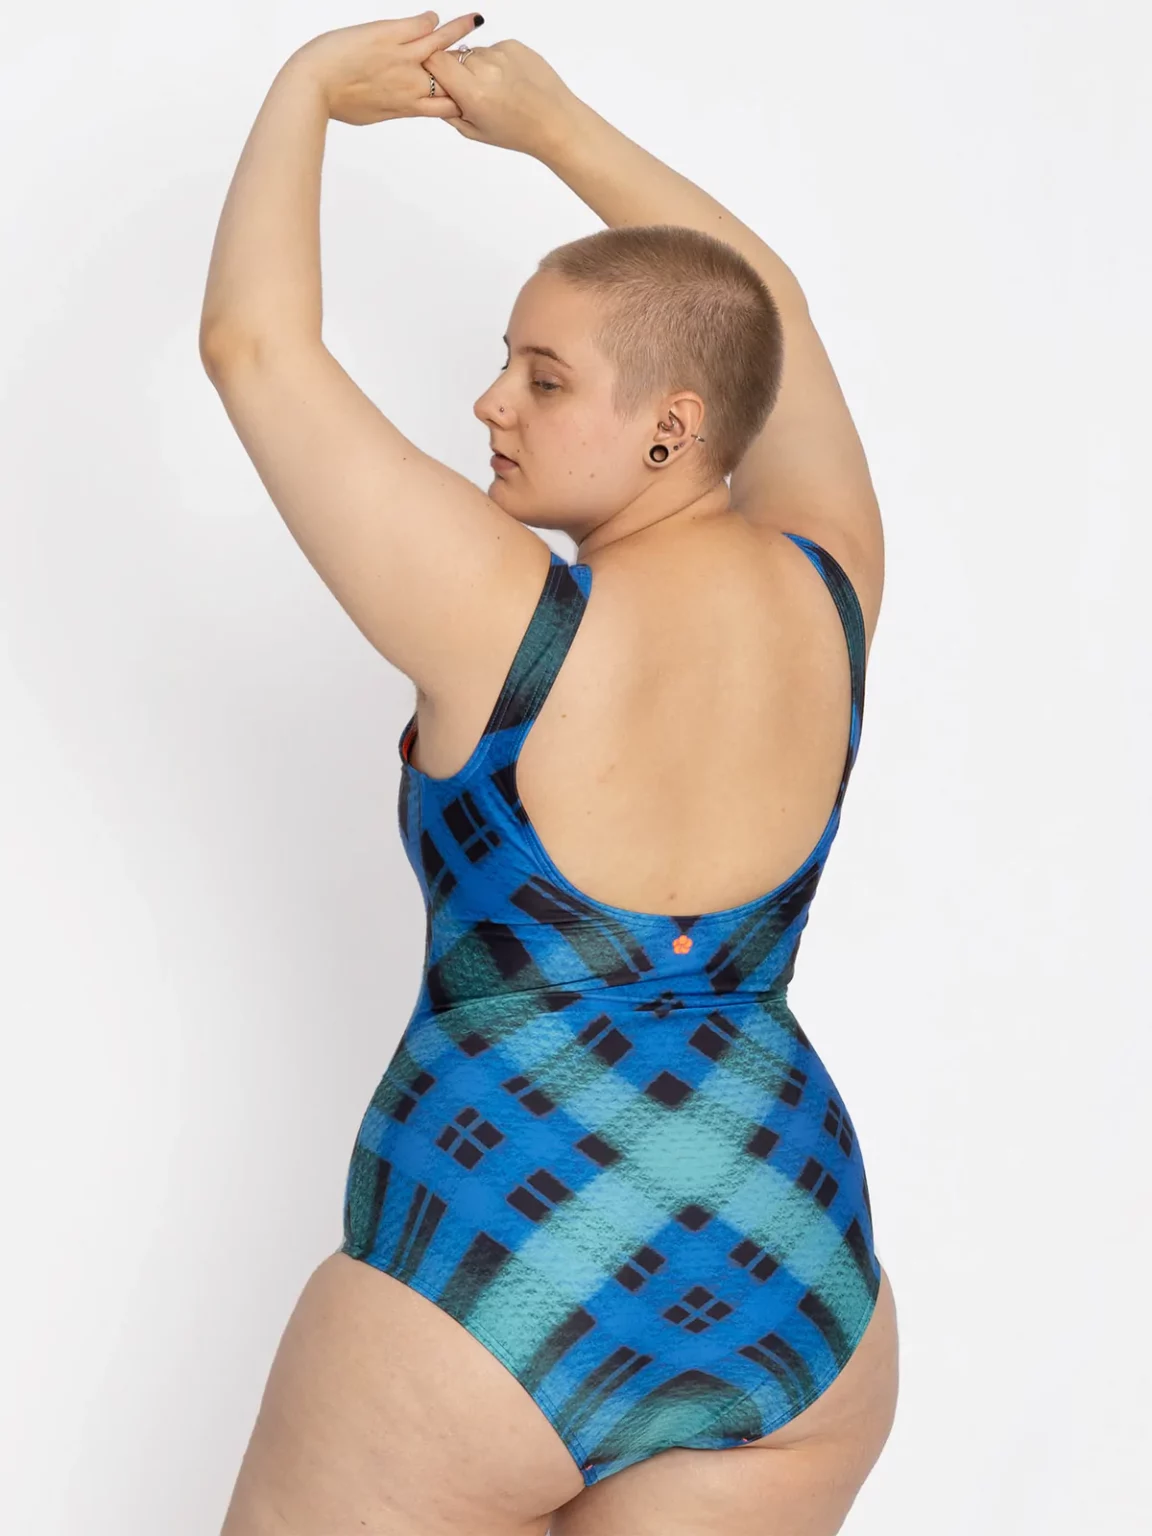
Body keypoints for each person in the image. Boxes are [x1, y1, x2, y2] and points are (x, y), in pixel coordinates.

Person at [199, 13, 900, 1535]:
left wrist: (304, 90)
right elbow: (765, 310)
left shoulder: (503, 614)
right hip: (788, 1265)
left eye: (544, 376)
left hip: (505, 1253)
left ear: (674, 428)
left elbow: (254, 347)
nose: (491, 404)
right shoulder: (834, 581)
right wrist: (557, 128)